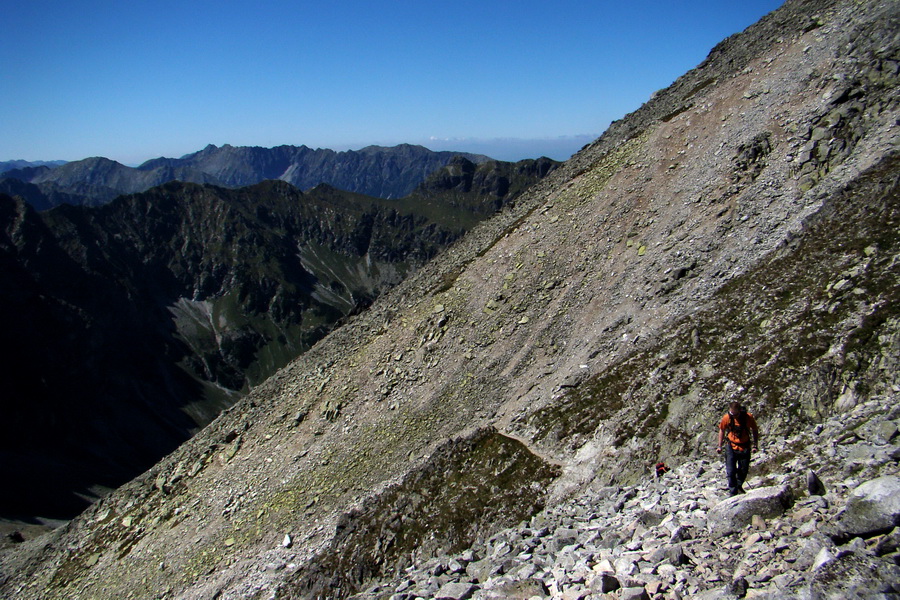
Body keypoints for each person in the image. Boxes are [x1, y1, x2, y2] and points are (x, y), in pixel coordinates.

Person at [716, 401, 760, 496]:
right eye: (732, 413)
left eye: (735, 414)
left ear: (740, 411)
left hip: (745, 446)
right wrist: (719, 446)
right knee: (731, 471)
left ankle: (738, 485)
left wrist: (755, 445)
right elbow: (722, 430)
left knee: (743, 469)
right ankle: (733, 492)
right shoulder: (727, 417)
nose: (734, 415)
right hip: (731, 445)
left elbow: (755, 429)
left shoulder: (748, 417)